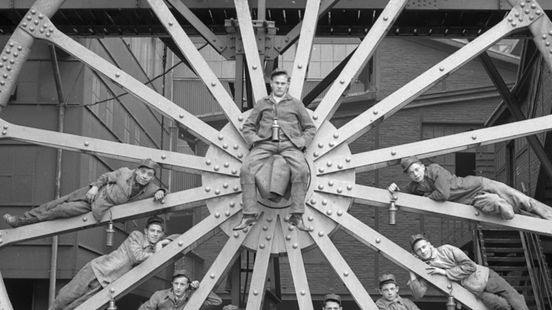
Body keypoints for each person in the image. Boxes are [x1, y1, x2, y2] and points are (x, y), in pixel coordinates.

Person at [234, 68, 316, 231]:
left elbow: (310, 128)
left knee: (301, 170)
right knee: (246, 169)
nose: (279, 86)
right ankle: (249, 215)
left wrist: (301, 142)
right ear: (271, 84)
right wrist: (255, 140)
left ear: (287, 85)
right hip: (265, 144)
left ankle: (297, 216)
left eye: (283, 84)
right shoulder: (262, 103)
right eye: (277, 83)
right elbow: (248, 126)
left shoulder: (295, 104)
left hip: (289, 145)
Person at [50, 216, 173, 310]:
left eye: (158, 232)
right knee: (65, 297)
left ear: (162, 234)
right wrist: (156, 252)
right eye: (152, 231)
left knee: (79, 306)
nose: (155, 234)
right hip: (98, 269)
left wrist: (165, 242)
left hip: (107, 283)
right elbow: (137, 257)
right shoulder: (137, 236)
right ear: (146, 231)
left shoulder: (155, 248)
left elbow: (179, 237)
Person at [4, 158, 166, 227]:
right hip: (91, 193)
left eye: (149, 175)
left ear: (152, 178)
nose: (145, 177)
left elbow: (166, 192)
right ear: (137, 171)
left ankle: (25, 223)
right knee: (57, 202)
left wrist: (161, 192)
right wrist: (95, 187)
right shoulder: (124, 172)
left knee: (61, 210)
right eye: (143, 172)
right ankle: (21, 220)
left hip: (98, 206)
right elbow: (105, 177)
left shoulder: (150, 188)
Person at [387, 156, 552, 220]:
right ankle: (506, 207)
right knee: (503, 208)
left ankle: (549, 216)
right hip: (472, 200)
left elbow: (443, 194)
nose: (415, 174)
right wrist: (395, 190)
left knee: (522, 200)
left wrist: (427, 197)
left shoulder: (435, 170)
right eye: (410, 173)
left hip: (479, 184)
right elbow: (403, 195)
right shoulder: (416, 186)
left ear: (423, 167)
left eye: (416, 169)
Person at [408, 234, 528, 310]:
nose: (423, 251)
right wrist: (411, 269)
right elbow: (418, 295)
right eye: (418, 250)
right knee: (502, 306)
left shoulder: (446, 250)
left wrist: (445, 273)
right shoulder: (427, 269)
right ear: (416, 254)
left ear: (429, 245)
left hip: (487, 278)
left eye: (424, 247)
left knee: (516, 300)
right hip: (475, 291)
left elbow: (470, 266)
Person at [138, 269, 223, 310]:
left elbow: (217, 302)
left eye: (182, 284)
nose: (178, 287)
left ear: (187, 286)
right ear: (172, 283)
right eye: (176, 283)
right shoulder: (159, 295)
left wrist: (200, 289)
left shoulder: (193, 296)